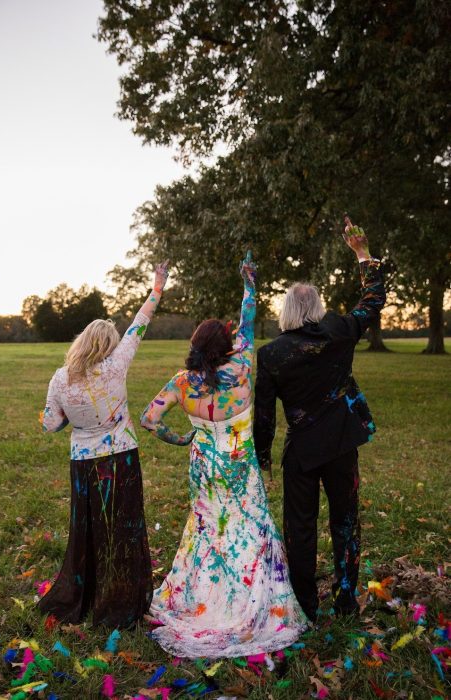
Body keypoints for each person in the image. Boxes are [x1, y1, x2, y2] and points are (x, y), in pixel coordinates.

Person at [140, 251, 307, 659]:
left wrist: (179, 439)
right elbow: (248, 319)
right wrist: (249, 283)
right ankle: (248, 598)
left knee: (208, 529)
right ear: (229, 344)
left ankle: (203, 596)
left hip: (204, 464)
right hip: (238, 463)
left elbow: (148, 419)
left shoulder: (182, 382)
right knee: (247, 526)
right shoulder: (245, 367)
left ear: (195, 346)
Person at [253, 218, 386, 622]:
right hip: (342, 444)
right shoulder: (340, 331)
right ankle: (345, 599)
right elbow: (373, 300)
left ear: (288, 311)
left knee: (300, 526)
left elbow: (264, 414)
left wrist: (261, 456)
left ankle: (305, 603)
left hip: (303, 451)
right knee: (345, 521)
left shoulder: (272, 353)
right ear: (318, 308)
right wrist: (362, 254)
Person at [37, 261, 169, 628]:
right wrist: (157, 287)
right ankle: (123, 599)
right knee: (122, 529)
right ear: (108, 345)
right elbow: (139, 324)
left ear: (81, 342)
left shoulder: (60, 378)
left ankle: (87, 594)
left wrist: (65, 416)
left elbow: (49, 424)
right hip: (121, 458)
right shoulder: (116, 365)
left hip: (83, 462)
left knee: (89, 529)